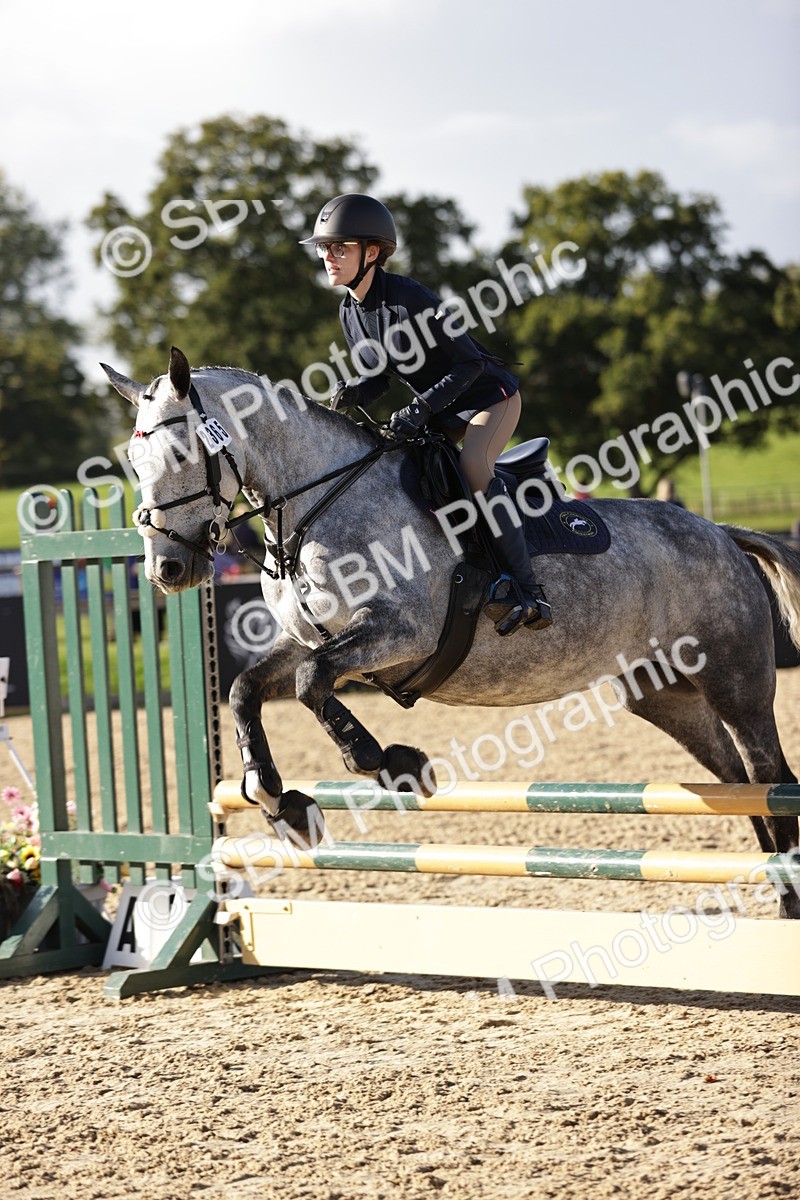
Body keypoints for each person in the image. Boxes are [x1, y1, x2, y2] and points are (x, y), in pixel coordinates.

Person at [300, 193, 552, 636]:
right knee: (403, 469)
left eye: (340, 247)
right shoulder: (350, 312)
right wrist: (357, 390)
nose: (328, 256)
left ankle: (528, 592)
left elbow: (470, 362)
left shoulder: (410, 297)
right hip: (441, 408)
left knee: (474, 465)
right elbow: (379, 377)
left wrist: (419, 407)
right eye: (324, 248)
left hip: (489, 396)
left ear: (372, 252)